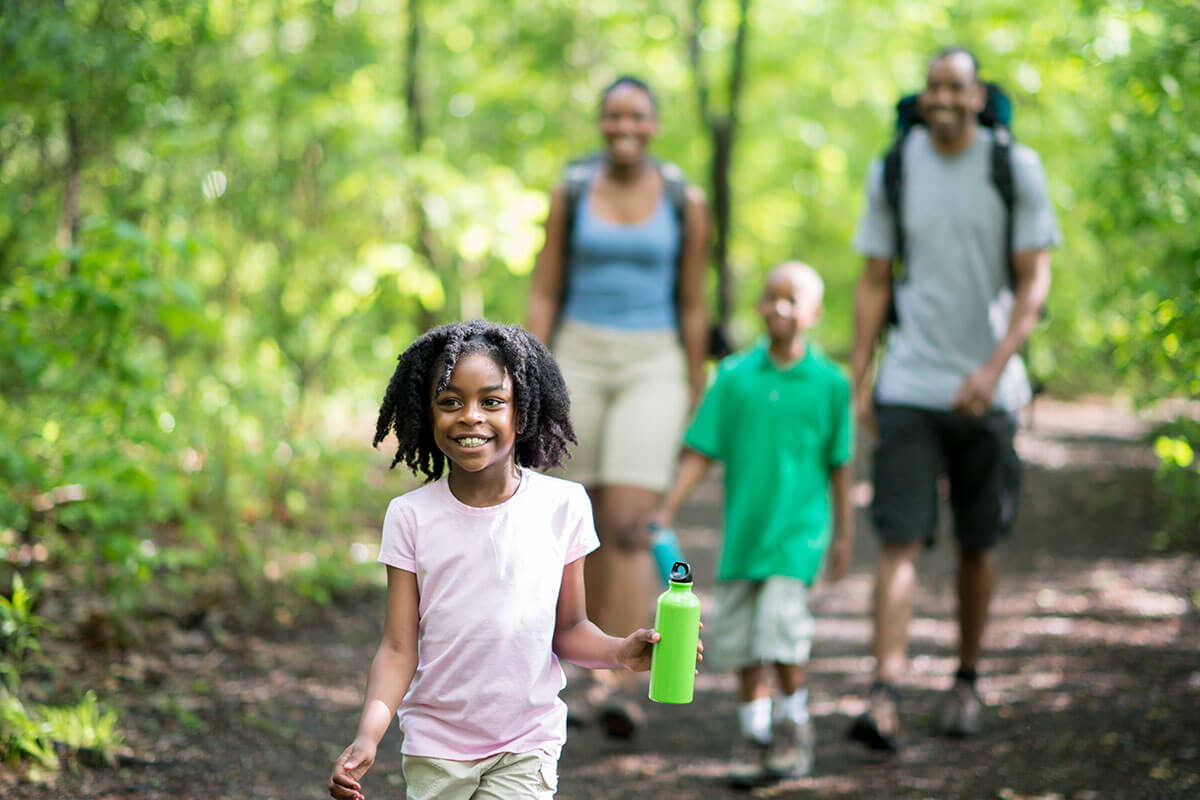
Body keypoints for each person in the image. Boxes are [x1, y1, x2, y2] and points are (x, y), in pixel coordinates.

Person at [328, 320, 700, 800]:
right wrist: (368, 735)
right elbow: (399, 647)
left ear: (522, 412)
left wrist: (620, 653)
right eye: (450, 402)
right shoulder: (410, 516)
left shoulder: (562, 506)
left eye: (491, 401)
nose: (470, 416)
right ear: (428, 414)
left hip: (528, 743)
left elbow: (567, 630)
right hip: (436, 747)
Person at [847, 47, 1060, 752]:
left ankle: (967, 680)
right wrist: (860, 375)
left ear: (978, 97)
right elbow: (876, 278)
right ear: (924, 94)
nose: (942, 98)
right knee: (898, 539)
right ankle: (883, 692)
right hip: (910, 381)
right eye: (932, 86)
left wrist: (994, 367)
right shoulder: (895, 166)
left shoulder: (1014, 166)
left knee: (978, 542)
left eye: (955, 88)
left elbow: (1034, 282)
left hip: (991, 391)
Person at [526, 75, 711, 737]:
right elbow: (545, 288)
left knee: (632, 521)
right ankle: (578, 667)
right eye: (612, 116)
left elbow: (693, 302)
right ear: (601, 122)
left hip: (653, 360)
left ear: (654, 124)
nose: (623, 126)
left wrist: (696, 386)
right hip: (576, 354)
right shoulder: (571, 191)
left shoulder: (685, 200)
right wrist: (530, 370)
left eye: (636, 115)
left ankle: (624, 680)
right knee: (577, 519)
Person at [647, 262, 854, 787]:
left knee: (779, 634)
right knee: (739, 641)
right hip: (744, 536)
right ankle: (753, 733)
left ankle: (793, 725)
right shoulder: (735, 377)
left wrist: (844, 533)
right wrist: (667, 507)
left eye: (792, 299)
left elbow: (841, 464)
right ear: (759, 305)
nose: (779, 308)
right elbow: (701, 450)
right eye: (771, 297)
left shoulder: (830, 383)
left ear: (814, 312)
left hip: (797, 536)